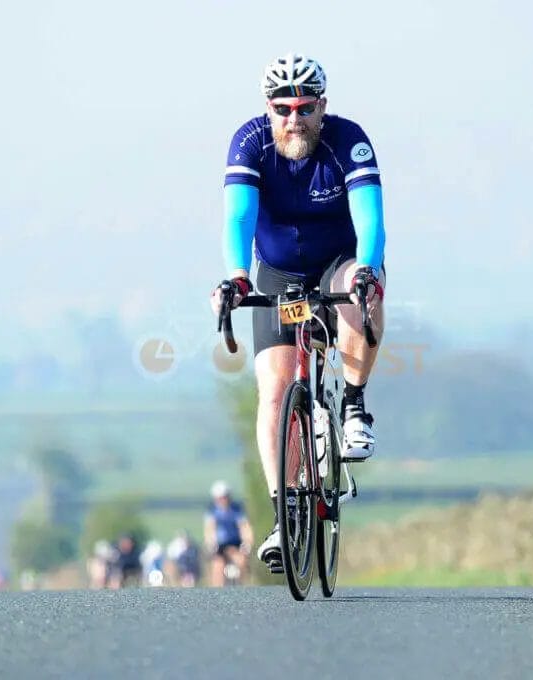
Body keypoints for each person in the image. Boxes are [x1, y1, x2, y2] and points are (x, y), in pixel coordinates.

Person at [209, 53, 387, 569]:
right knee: (275, 388)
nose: (294, 118)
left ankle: (353, 405)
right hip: (279, 272)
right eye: (283, 108)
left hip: (339, 261)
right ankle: (283, 513)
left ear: (322, 106)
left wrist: (367, 269)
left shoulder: (347, 140)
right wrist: (238, 277)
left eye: (305, 107)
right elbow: (239, 216)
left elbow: (371, 219)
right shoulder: (249, 142)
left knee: (360, 287)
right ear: (269, 108)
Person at [203, 481, 254, 586]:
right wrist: (210, 543)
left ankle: (241, 586)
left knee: (241, 561)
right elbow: (210, 528)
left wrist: (248, 542)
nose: (223, 500)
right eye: (220, 498)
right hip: (219, 544)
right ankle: (218, 590)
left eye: (225, 497)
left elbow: (244, 526)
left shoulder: (237, 509)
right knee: (218, 565)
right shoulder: (212, 510)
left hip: (235, 542)